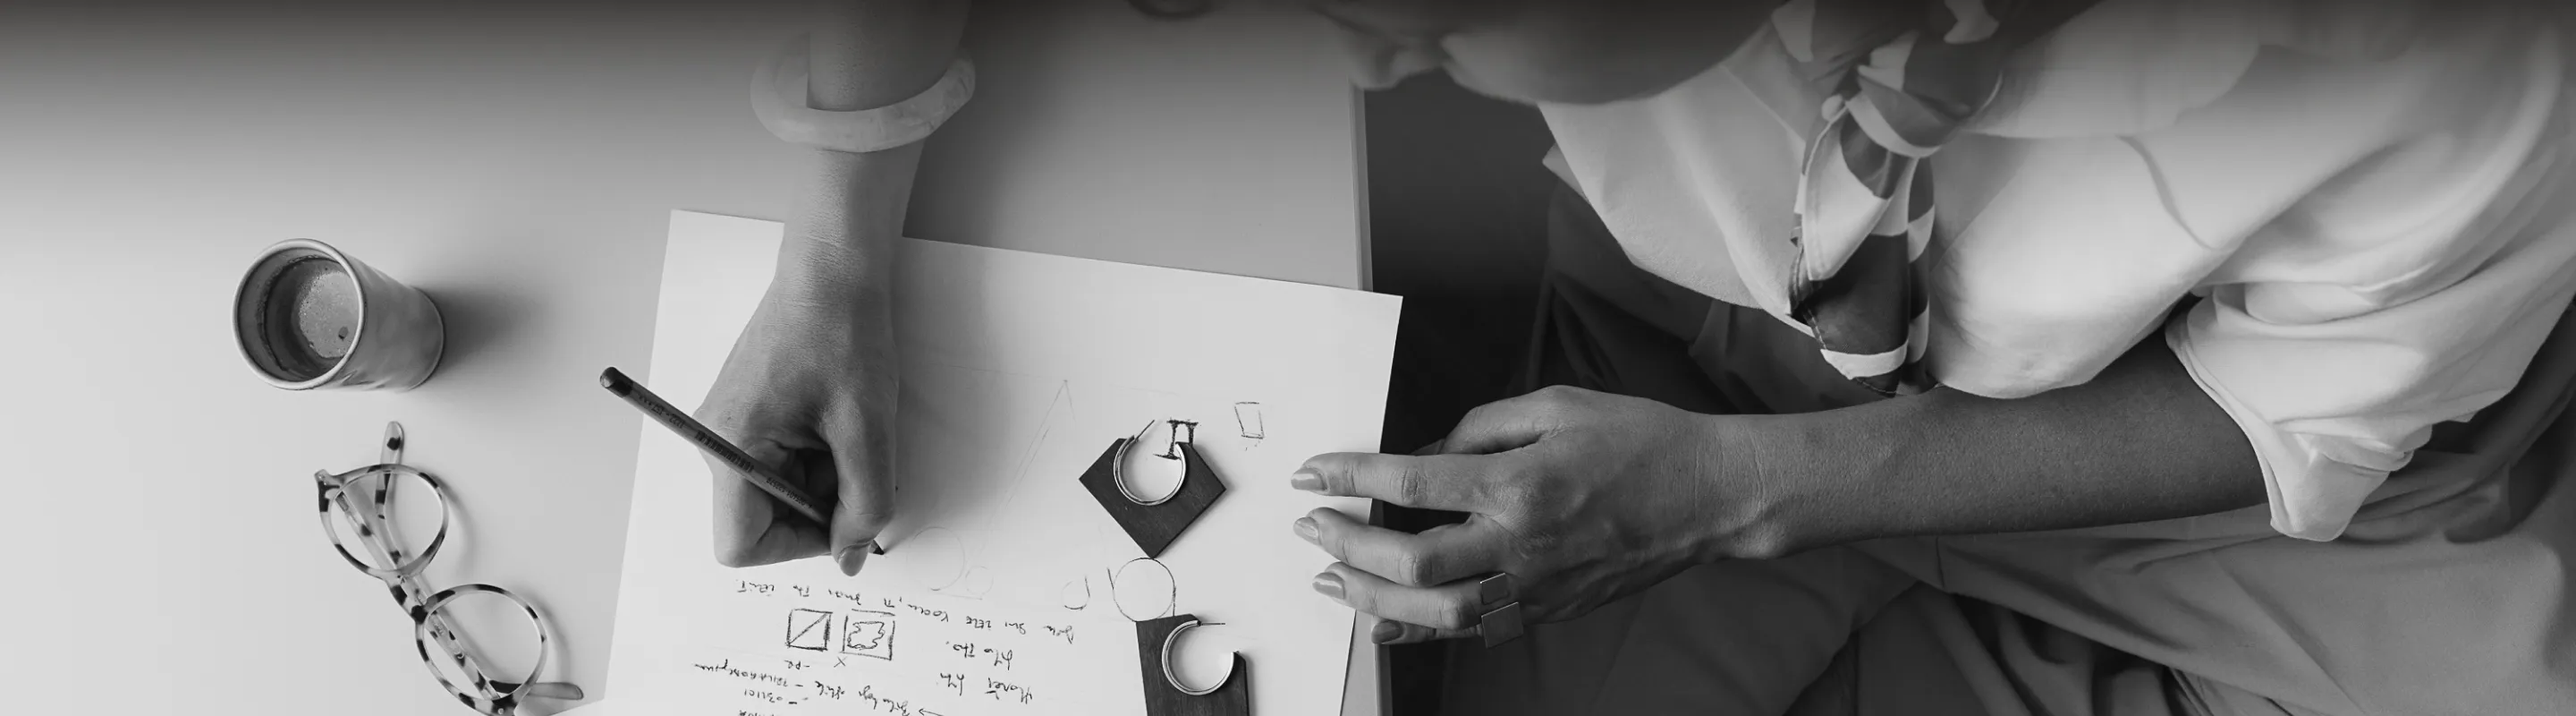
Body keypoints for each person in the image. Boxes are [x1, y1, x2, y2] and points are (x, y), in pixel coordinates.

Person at [695, 0, 2576, 712]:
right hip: (1683, 341)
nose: (1355, 64)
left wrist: (1754, 500)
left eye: (1426, 20)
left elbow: (2284, 410)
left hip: (2190, 480)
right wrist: (839, 249)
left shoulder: (2449, 57)